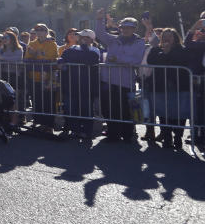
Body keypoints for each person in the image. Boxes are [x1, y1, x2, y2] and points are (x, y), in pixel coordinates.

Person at [94, 10, 147, 142]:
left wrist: (117, 58)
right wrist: (100, 20)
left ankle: (128, 133)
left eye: (129, 27)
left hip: (126, 82)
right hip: (108, 80)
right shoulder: (113, 39)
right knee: (108, 108)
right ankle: (113, 133)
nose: (126, 30)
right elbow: (100, 34)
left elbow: (136, 60)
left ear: (134, 28)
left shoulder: (139, 42)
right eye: (123, 27)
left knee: (126, 109)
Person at [145, 28, 192, 149]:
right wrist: (164, 53)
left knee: (179, 113)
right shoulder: (156, 49)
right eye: (164, 36)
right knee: (163, 113)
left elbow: (182, 61)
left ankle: (178, 137)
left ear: (175, 38)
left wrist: (169, 52)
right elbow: (151, 61)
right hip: (160, 86)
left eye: (169, 36)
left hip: (179, 86)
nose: (166, 38)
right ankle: (167, 137)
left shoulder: (182, 49)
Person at [57, 29, 101, 138]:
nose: (82, 39)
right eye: (81, 37)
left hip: (87, 86)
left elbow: (90, 59)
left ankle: (87, 131)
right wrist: (61, 61)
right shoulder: (71, 48)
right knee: (72, 109)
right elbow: (64, 57)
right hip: (71, 85)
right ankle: (75, 130)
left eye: (86, 37)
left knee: (86, 109)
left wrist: (82, 51)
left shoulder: (95, 50)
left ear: (91, 39)